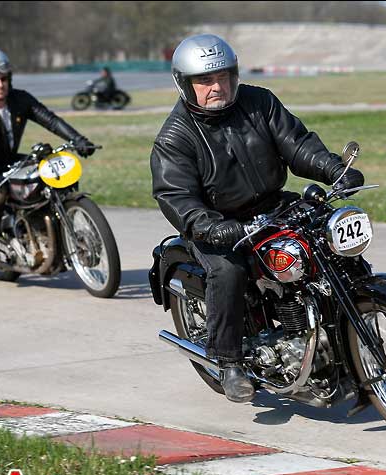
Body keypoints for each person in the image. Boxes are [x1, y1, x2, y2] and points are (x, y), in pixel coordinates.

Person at [150, 34, 364, 403]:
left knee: (331, 240)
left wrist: (334, 170)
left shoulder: (259, 101)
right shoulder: (175, 136)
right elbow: (176, 196)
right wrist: (211, 227)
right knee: (228, 271)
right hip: (219, 223)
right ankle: (229, 361)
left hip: (273, 203)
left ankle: (355, 324)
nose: (218, 87)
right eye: (205, 81)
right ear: (184, 84)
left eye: (224, 76)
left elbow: (297, 144)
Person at [0, 48, 97, 263]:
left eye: (4, 78)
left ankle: (53, 230)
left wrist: (78, 140)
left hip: (9, 158)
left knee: (48, 174)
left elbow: (50, 120)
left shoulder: (20, 99)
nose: (0, 84)